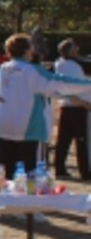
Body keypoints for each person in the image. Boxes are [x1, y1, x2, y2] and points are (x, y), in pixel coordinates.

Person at [0, 33, 91, 169]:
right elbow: (60, 82)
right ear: (27, 49)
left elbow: (47, 89)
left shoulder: (3, 68)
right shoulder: (33, 71)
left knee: (9, 175)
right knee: (32, 176)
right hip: (30, 129)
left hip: (5, 127)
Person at [52, 39, 91, 179]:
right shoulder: (74, 65)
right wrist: (83, 103)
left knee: (63, 139)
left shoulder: (59, 63)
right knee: (82, 141)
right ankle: (85, 170)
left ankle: (59, 168)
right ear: (72, 51)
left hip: (65, 105)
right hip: (79, 105)